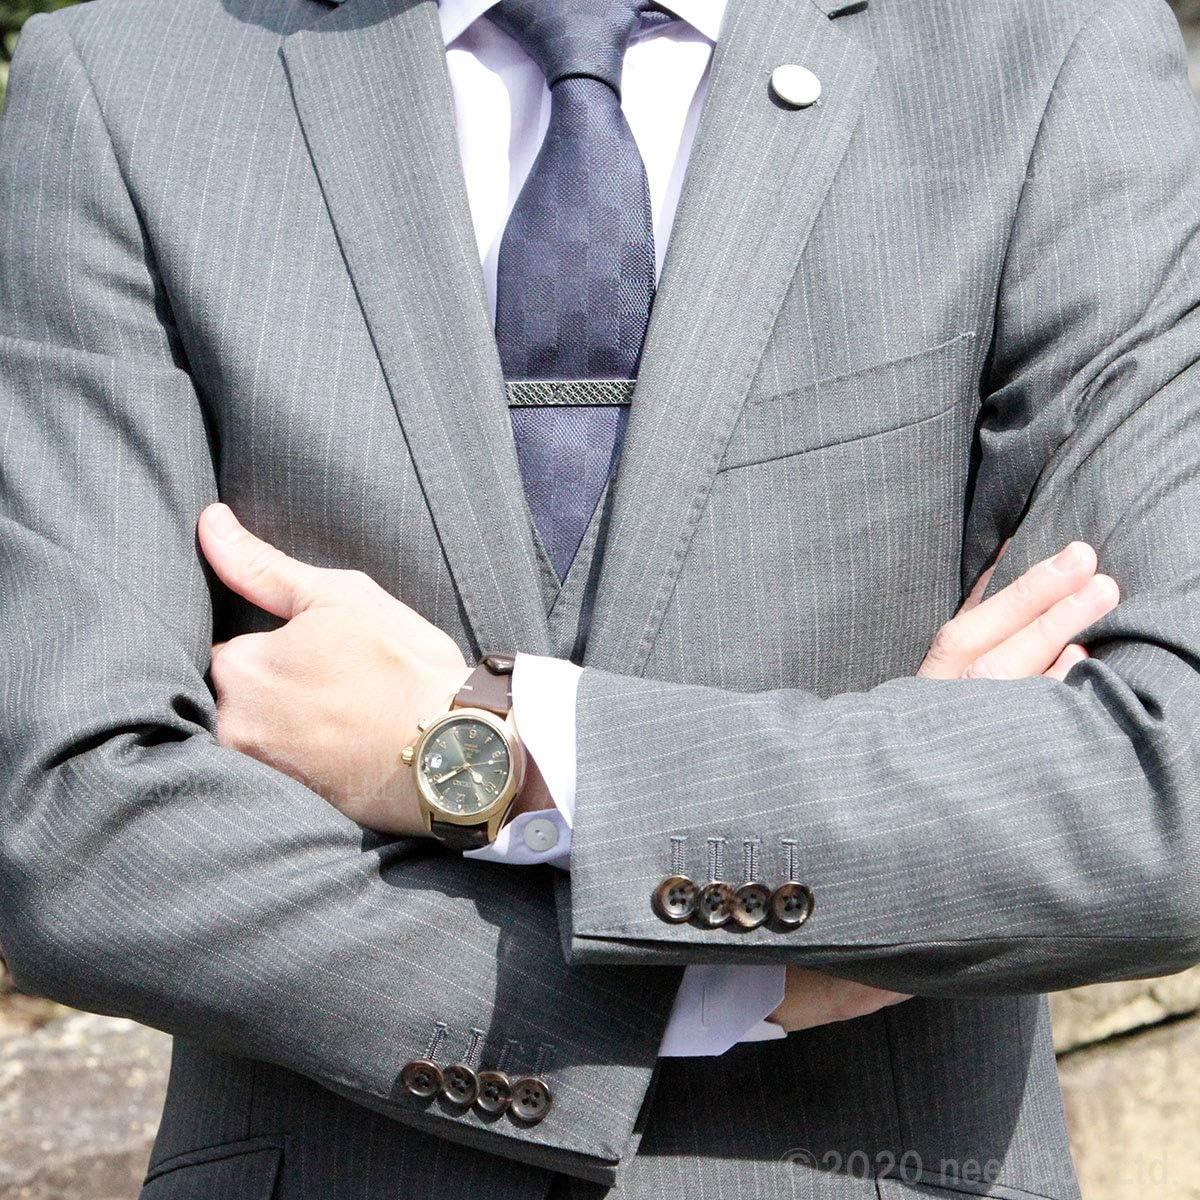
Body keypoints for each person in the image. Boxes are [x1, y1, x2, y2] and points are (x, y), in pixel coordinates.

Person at [0, 0, 1198, 1197]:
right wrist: (722, 985)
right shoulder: (127, 84)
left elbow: (1162, 787)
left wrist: (505, 748)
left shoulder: (1048, 54)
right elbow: (69, 821)